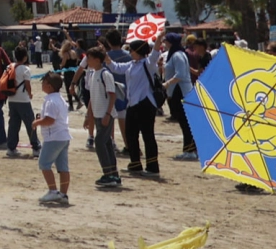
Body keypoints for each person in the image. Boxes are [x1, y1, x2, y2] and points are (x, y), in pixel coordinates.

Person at [83, 45, 121, 189]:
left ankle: (108, 174)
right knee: (106, 144)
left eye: (90, 59)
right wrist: (88, 115)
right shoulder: (92, 74)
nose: (88, 61)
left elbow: (112, 95)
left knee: (100, 143)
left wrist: (107, 114)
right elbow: (92, 97)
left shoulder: (105, 74)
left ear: (98, 60)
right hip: (98, 114)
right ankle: (113, 174)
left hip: (106, 114)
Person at [122, 38, 161, 176]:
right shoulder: (131, 64)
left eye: (131, 50)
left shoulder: (148, 63)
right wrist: (106, 56)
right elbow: (115, 67)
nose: (130, 52)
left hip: (146, 103)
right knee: (130, 134)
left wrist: (159, 39)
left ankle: (152, 167)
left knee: (147, 135)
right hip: (132, 103)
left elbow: (155, 53)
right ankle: (135, 163)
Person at [32, 72, 72, 206]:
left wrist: (37, 123)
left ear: (49, 86)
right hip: (64, 136)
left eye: (44, 83)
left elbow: (50, 120)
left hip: (53, 137)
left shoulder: (50, 100)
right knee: (63, 167)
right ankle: (63, 194)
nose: (42, 85)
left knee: (44, 163)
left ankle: (53, 190)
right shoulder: (60, 99)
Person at [161, 33, 196, 161]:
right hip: (177, 90)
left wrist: (166, 83)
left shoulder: (177, 55)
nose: (165, 43)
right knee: (183, 121)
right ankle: (190, 148)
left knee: (185, 121)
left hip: (180, 91)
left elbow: (180, 74)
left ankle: (190, 150)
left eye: (166, 41)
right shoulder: (177, 54)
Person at [4, 46, 41, 158]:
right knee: (30, 123)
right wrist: (30, 94)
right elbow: (27, 84)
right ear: (25, 57)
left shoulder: (9, 67)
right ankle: (36, 147)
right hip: (23, 100)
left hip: (12, 99)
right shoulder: (25, 69)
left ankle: (11, 147)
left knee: (14, 124)